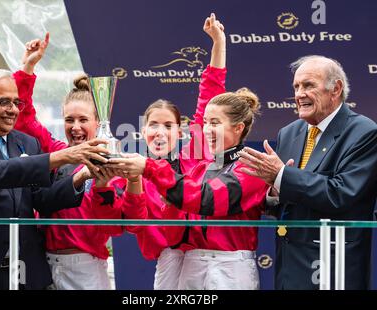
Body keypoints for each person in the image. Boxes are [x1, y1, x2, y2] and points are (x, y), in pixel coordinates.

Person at [0, 68, 109, 290]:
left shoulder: (26, 143)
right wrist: (63, 156)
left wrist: (81, 176)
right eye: (3, 102)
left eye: (16, 103)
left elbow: (40, 198)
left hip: (25, 271)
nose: (12, 110)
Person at [108, 63, 268, 290]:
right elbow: (174, 234)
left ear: (238, 128)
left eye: (215, 123)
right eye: (205, 123)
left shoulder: (251, 166)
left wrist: (153, 172)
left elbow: (208, 199)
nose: (207, 130)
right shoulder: (199, 170)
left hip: (230, 268)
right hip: (191, 265)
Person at [13, 33, 147, 290]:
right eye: (69, 120)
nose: (75, 127)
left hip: (86, 267)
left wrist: (113, 184)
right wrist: (28, 68)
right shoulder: (56, 151)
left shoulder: (113, 161)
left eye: (83, 120)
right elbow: (24, 118)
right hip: (43, 265)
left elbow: (127, 223)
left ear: (99, 122)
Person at [239, 55, 377, 289]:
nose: (299, 94)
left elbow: (342, 194)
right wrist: (273, 192)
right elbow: (285, 198)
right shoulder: (289, 132)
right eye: (296, 87)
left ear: (335, 89)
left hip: (333, 266)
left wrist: (282, 176)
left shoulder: (364, 132)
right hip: (289, 264)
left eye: (308, 85)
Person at [123, 13, 230, 290]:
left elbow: (211, 91)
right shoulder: (135, 170)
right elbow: (134, 224)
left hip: (205, 251)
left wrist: (218, 42)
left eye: (168, 125)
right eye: (153, 125)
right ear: (142, 132)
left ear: (179, 132)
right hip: (168, 255)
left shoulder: (195, 149)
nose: (160, 132)